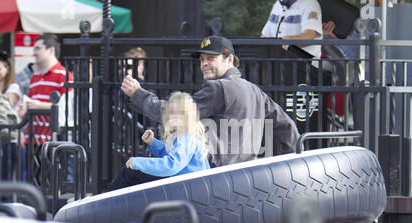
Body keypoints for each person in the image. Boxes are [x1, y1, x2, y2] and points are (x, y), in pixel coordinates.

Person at [121, 36, 299, 168]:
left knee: (131, 176)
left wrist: (138, 94)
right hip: (245, 175)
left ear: (229, 59)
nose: (204, 63)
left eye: (211, 58)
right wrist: (284, 165)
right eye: (202, 59)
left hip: (213, 177)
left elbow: (171, 112)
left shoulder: (218, 88)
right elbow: (287, 129)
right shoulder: (255, 91)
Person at [109, 92, 210, 191]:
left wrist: (138, 162)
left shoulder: (186, 137)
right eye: (172, 112)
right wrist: (153, 142)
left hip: (187, 188)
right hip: (187, 185)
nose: (174, 116)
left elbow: (172, 165)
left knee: (130, 173)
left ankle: (104, 205)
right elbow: (173, 155)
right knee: (133, 175)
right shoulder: (184, 134)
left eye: (179, 113)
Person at [21, 34, 74, 182]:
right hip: (33, 139)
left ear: (51, 50)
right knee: (35, 186)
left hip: (53, 140)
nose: (34, 52)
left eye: (38, 48)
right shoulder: (35, 76)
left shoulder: (64, 75)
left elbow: (70, 108)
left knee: (53, 185)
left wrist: (38, 106)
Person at [0, 50, 22, 181]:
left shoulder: (13, 87)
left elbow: (4, 108)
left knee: (6, 177)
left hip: (9, 138)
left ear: (7, 69)